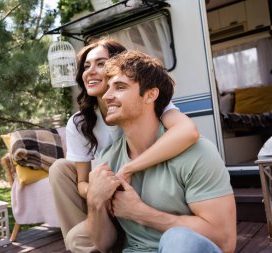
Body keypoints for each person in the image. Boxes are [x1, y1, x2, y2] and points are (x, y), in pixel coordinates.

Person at [71, 50, 236, 253]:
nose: (106, 96)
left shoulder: (198, 153)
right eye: (108, 88)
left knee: (179, 240)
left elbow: (225, 241)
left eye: (120, 87)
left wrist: (141, 213)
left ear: (150, 95)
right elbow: (104, 244)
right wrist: (95, 202)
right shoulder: (107, 161)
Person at [49, 38, 199, 242]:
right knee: (60, 169)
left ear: (117, 67)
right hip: (110, 192)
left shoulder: (147, 98)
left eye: (100, 64)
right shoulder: (80, 122)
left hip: (149, 183)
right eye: (86, 66)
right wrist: (100, 193)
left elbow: (188, 131)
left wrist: (128, 169)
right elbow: (82, 182)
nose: (90, 71)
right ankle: (91, 242)